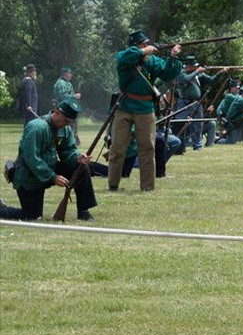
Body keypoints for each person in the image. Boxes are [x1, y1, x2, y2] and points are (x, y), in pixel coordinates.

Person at [106, 30, 182, 192]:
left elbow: (168, 73)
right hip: (125, 106)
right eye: (143, 44)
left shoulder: (152, 61)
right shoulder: (125, 57)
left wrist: (173, 56)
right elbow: (123, 57)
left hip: (145, 108)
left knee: (147, 148)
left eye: (146, 44)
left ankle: (147, 187)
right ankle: (113, 184)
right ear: (135, 46)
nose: (147, 46)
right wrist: (141, 51)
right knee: (117, 148)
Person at [0, 98, 98, 222]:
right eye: (66, 120)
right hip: (29, 176)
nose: (67, 124)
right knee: (32, 217)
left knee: (82, 169)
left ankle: (83, 212)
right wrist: (53, 177)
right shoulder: (36, 127)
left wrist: (77, 158)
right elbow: (33, 160)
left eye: (69, 121)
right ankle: (1, 209)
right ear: (56, 112)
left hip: (49, 169)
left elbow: (68, 151)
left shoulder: (65, 128)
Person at [175, 56, 227, 151]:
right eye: (194, 66)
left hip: (197, 103)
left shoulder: (198, 75)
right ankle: (179, 146)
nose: (196, 68)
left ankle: (197, 145)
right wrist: (197, 71)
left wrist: (220, 73)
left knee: (198, 124)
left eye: (196, 66)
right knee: (180, 124)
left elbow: (212, 81)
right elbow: (185, 79)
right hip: (184, 103)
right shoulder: (181, 73)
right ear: (188, 66)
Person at [53, 66, 81, 145]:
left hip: (69, 109)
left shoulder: (68, 83)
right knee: (63, 128)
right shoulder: (61, 83)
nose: (71, 75)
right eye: (70, 73)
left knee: (71, 127)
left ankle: (71, 141)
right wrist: (74, 96)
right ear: (66, 74)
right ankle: (60, 143)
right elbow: (63, 96)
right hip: (63, 110)